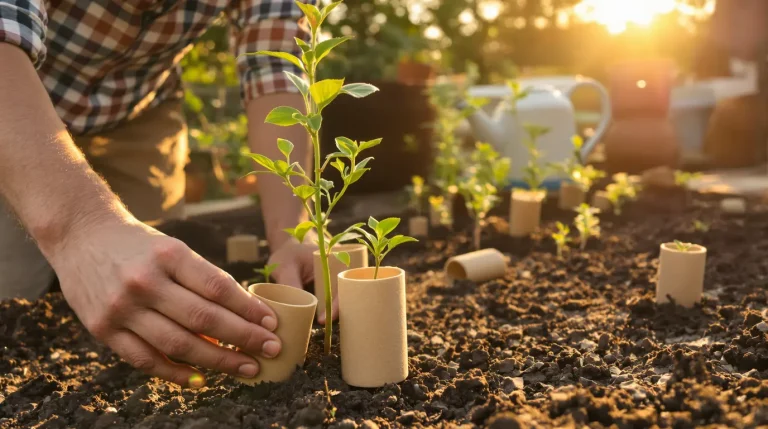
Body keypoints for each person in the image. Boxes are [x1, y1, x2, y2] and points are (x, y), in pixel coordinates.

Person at [0, 0, 322, 387]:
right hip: (19, 98)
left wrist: (293, 232)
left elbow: (276, 65)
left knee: (149, 291)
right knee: (11, 295)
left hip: (140, 106)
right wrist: (77, 227)